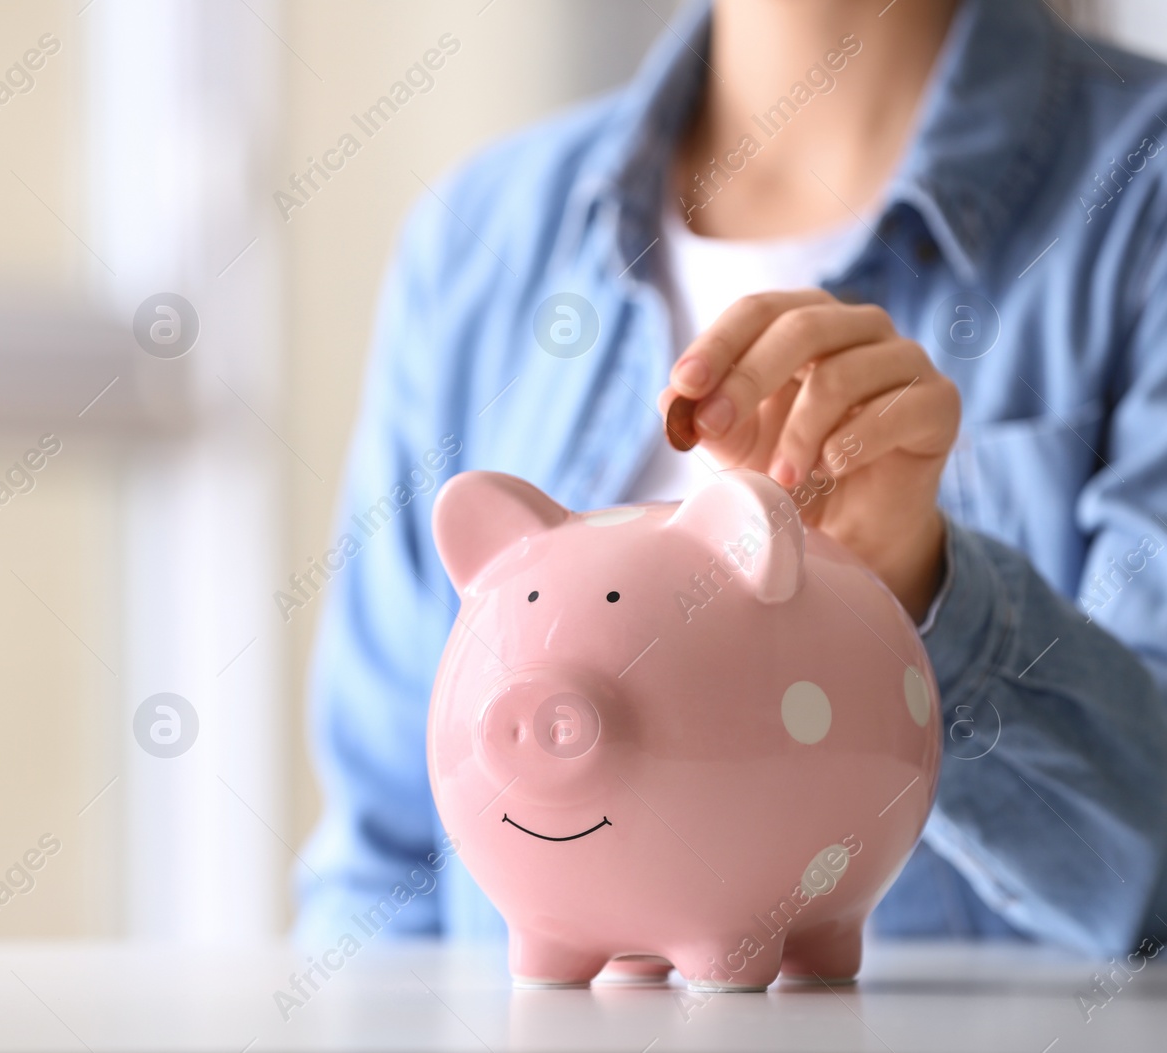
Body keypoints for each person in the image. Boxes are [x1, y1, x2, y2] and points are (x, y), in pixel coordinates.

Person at [294, 0, 1167, 958]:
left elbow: (1154, 877)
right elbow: (383, 865)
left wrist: (928, 588)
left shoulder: (1143, 199)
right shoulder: (479, 238)